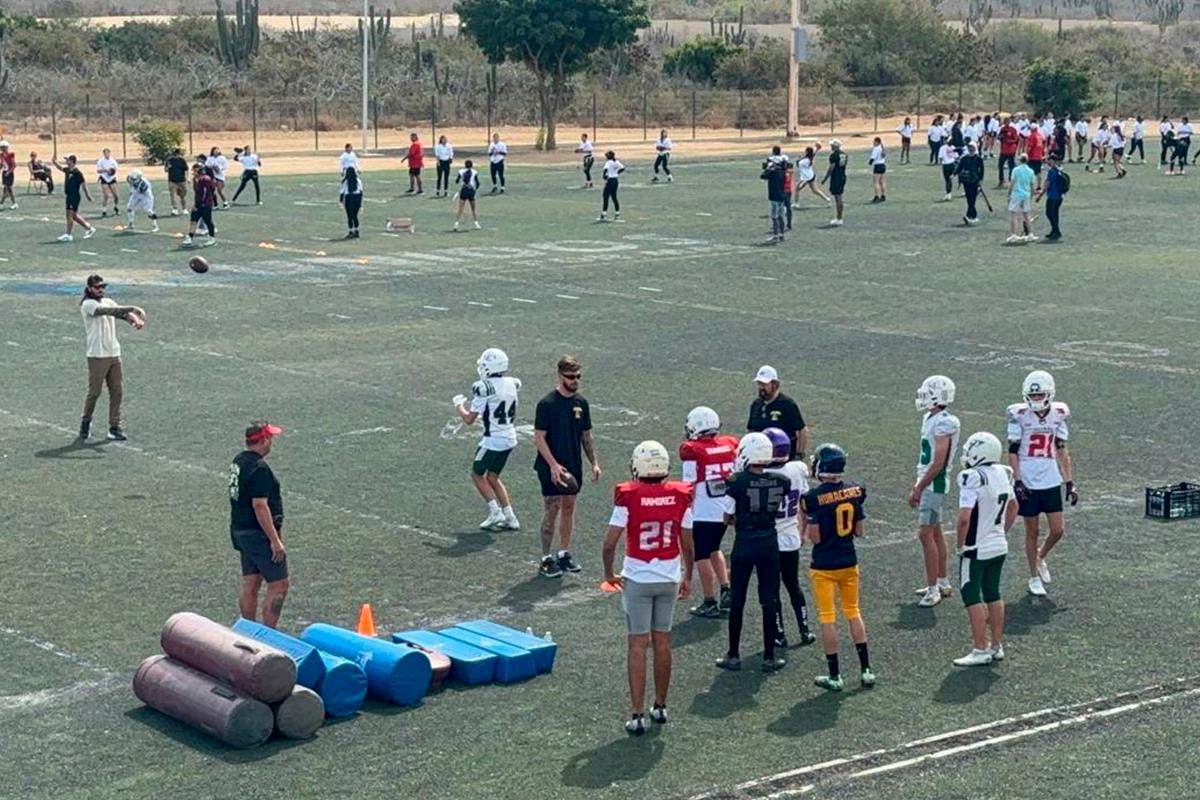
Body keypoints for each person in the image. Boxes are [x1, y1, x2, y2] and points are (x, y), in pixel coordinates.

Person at [601, 440, 694, 735]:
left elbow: (609, 542)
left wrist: (608, 572)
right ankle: (661, 705)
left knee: (638, 645)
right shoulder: (679, 495)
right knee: (663, 641)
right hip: (668, 576)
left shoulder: (629, 496)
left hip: (639, 578)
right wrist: (687, 575)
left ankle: (638, 713)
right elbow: (688, 542)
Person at [714, 433, 789, 673]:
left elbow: (727, 517)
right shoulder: (781, 480)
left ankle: (733, 654)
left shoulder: (736, 481)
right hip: (769, 543)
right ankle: (769, 656)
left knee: (738, 600)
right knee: (769, 600)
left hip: (745, 543)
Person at [803, 443, 873, 691]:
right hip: (848, 559)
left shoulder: (812, 498)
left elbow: (815, 538)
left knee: (827, 617)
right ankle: (866, 670)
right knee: (853, 611)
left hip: (824, 564)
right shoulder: (856, 491)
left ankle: (835, 675)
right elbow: (860, 531)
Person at [953, 432, 1019, 667]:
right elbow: (1014, 507)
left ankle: (980, 648)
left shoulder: (972, 477)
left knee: (971, 595)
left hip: (977, 547)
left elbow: (964, 518)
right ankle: (996, 645)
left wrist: (961, 544)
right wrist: (1001, 530)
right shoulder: (1004, 472)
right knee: (993, 592)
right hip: (998, 544)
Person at [1008, 370, 1076, 597]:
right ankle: (1033, 576)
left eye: (1040, 395)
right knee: (1032, 530)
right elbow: (1013, 452)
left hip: (1050, 476)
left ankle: (1040, 556)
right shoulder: (1019, 415)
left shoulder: (1058, 414)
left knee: (1058, 530)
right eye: (1033, 396)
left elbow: (1062, 450)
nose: (1036, 400)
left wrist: (1069, 481)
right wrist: (1017, 480)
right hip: (1028, 476)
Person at [533, 355, 600, 577]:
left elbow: (586, 435)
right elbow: (539, 438)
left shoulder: (581, 403)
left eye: (578, 376)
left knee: (569, 507)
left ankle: (564, 553)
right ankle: (545, 558)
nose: (575, 381)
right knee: (552, 508)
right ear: (560, 376)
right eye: (571, 377)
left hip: (573, 463)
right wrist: (553, 465)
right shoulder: (546, 404)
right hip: (550, 466)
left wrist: (594, 463)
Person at [452, 347, 521, 531]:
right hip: (509, 437)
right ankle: (510, 516)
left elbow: (469, 419)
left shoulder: (484, 388)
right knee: (493, 476)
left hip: (493, 440)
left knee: (477, 474)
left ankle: (495, 511)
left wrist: (459, 405)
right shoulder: (512, 383)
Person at [679, 406, 738, 618]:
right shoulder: (729, 444)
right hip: (725, 508)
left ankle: (709, 600)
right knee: (714, 548)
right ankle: (726, 590)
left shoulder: (692, 449)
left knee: (701, 554)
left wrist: (684, 507)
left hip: (704, 510)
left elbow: (688, 483)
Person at [229, 421, 289, 628]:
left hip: (240, 530)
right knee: (279, 584)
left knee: (251, 582)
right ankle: (269, 636)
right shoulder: (259, 468)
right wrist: (274, 540)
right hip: (258, 533)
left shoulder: (238, 461)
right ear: (263, 440)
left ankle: (247, 630)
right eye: (270, 438)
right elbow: (260, 506)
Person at [909, 375, 961, 608]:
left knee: (925, 533)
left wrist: (919, 487)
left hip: (933, 483)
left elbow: (938, 461)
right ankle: (942, 581)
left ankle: (933, 590)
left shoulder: (944, 422)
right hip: (930, 481)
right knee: (936, 532)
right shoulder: (933, 418)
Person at [762, 427, 815, 649]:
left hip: (771, 540)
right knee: (793, 584)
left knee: (772, 590)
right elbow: (804, 503)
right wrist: (803, 530)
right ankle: (804, 628)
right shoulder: (797, 469)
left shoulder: (763, 476)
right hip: (791, 537)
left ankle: (779, 633)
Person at [78, 274, 144, 441]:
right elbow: (105, 312)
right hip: (97, 355)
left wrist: (133, 320)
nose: (101, 290)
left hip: (113, 353)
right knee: (94, 392)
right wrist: (133, 308)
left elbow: (119, 314)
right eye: (97, 287)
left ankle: (114, 427)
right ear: (90, 288)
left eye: (103, 287)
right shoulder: (88, 304)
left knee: (117, 391)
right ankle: (86, 422)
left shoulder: (108, 301)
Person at [747, 365, 807, 460]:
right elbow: (751, 430)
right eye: (759, 384)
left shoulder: (787, 404)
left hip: (785, 458)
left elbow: (801, 430)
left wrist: (799, 454)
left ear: (775, 384)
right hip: (761, 458)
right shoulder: (756, 405)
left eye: (764, 384)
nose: (761, 387)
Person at [52, 154, 95, 242]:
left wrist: (88, 195)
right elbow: (60, 168)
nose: (66, 161)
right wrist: (54, 162)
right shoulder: (68, 170)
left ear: (72, 161)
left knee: (69, 215)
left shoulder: (77, 173)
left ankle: (68, 234)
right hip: (69, 196)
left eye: (67, 160)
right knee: (74, 216)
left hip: (74, 196)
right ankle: (89, 228)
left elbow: (83, 184)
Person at [1035, 153, 1067, 242]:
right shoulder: (1058, 170)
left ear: (1053, 161)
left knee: (1049, 213)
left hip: (1053, 196)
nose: (1048, 162)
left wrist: (1040, 196)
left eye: (1049, 160)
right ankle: (1054, 230)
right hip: (1059, 196)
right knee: (1054, 214)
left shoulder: (1052, 171)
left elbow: (1047, 185)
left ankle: (1056, 230)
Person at [183, 163, 217, 247]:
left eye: (195, 170)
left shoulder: (205, 179)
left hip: (205, 204)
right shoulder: (196, 179)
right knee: (193, 220)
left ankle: (212, 238)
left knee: (208, 221)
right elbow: (198, 193)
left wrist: (202, 203)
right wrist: (196, 204)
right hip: (198, 203)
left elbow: (206, 192)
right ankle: (190, 238)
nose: (193, 172)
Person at [1006, 154, 1036, 244]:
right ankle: (1030, 234)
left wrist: (1008, 194)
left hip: (1016, 195)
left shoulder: (1016, 170)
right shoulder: (1030, 171)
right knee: (1027, 215)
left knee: (1013, 215)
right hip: (1026, 195)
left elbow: (1012, 183)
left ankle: (1013, 234)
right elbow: (1032, 185)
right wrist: (1031, 195)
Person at [760, 150, 788, 244]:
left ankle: (776, 235)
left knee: (774, 217)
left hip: (774, 196)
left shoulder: (773, 172)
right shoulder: (782, 172)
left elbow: (763, 176)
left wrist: (768, 168)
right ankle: (782, 234)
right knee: (781, 216)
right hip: (781, 195)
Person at [956, 142, 985, 226]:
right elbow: (960, 167)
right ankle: (972, 216)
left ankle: (971, 215)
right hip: (967, 181)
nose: (970, 148)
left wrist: (980, 180)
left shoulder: (978, 159)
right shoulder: (964, 158)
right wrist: (953, 174)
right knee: (969, 199)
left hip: (975, 181)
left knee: (972, 199)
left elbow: (982, 170)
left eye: (972, 147)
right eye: (969, 147)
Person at [821, 139, 848, 226]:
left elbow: (831, 168)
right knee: (839, 197)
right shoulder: (844, 154)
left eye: (832, 145)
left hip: (836, 177)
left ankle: (839, 217)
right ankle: (839, 217)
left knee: (838, 198)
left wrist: (825, 178)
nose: (831, 146)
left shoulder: (834, 155)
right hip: (842, 176)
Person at [453, 159, 482, 231]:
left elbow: (456, 181)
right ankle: (476, 223)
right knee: (473, 209)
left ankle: (456, 224)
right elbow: (477, 183)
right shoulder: (474, 172)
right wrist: (475, 190)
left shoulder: (460, 171)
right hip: (471, 191)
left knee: (460, 209)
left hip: (463, 190)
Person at [598, 150, 624, 222]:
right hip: (615, 180)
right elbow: (622, 168)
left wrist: (604, 176)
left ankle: (604, 214)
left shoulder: (609, 162)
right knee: (614, 197)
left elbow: (605, 169)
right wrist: (617, 172)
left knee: (605, 197)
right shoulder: (616, 161)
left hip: (610, 181)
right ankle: (617, 213)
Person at [338, 164, 363, 239]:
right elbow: (361, 192)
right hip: (357, 198)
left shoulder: (345, 181)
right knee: (355, 216)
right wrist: (361, 203)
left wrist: (341, 201)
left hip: (349, 198)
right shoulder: (358, 180)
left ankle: (351, 231)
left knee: (350, 216)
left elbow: (342, 192)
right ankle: (357, 231)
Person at [96, 147, 120, 218]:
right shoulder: (100, 161)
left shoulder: (113, 161)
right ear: (103, 154)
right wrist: (106, 171)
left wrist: (112, 171)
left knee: (116, 195)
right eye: (105, 153)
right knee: (106, 195)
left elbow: (115, 169)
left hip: (112, 178)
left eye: (108, 153)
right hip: (104, 178)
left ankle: (116, 206)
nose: (107, 154)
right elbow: (98, 171)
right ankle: (104, 210)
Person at [164, 148, 189, 215]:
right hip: (172, 180)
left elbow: (186, 170)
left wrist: (187, 178)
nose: (177, 156)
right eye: (176, 155)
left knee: (182, 195)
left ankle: (184, 208)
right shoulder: (169, 160)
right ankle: (175, 209)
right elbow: (166, 170)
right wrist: (168, 167)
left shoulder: (182, 160)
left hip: (181, 180)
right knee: (173, 195)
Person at [996, 116, 1018, 188]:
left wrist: (1008, 141)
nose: (1006, 123)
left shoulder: (1013, 130)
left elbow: (1015, 139)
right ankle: (1001, 180)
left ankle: (1010, 179)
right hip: (1003, 150)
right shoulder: (1002, 129)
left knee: (1011, 165)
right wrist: (1000, 137)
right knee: (1000, 165)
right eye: (1005, 122)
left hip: (1011, 150)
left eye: (1007, 122)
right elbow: (999, 137)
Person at [1026, 123, 1045, 191]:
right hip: (1039, 156)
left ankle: (1030, 186)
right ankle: (1039, 186)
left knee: (1029, 172)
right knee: (1038, 172)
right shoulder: (1039, 136)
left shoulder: (1032, 136)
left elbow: (1030, 147)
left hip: (1032, 157)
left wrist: (1027, 154)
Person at [868, 136, 886, 203]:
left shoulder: (876, 148)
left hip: (877, 165)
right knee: (882, 181)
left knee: (876, 182)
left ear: (877, 142)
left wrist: (870, 162)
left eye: (874, 141)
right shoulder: (882, 148)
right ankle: (883, 195)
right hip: (883, 165)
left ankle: (876, 196)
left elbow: (873, 157)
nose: (873, 143)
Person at [0, 141, 16, 209]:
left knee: (6, 188)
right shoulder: (1, 155)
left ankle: (1, 203)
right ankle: (14, 203)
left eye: (4, 147)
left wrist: (9, 172)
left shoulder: (10, 155)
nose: (2, 149)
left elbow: (14, 165)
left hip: (9, 173)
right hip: (4, 173)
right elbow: (2, 164)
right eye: (1, 148)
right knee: (8, 189)